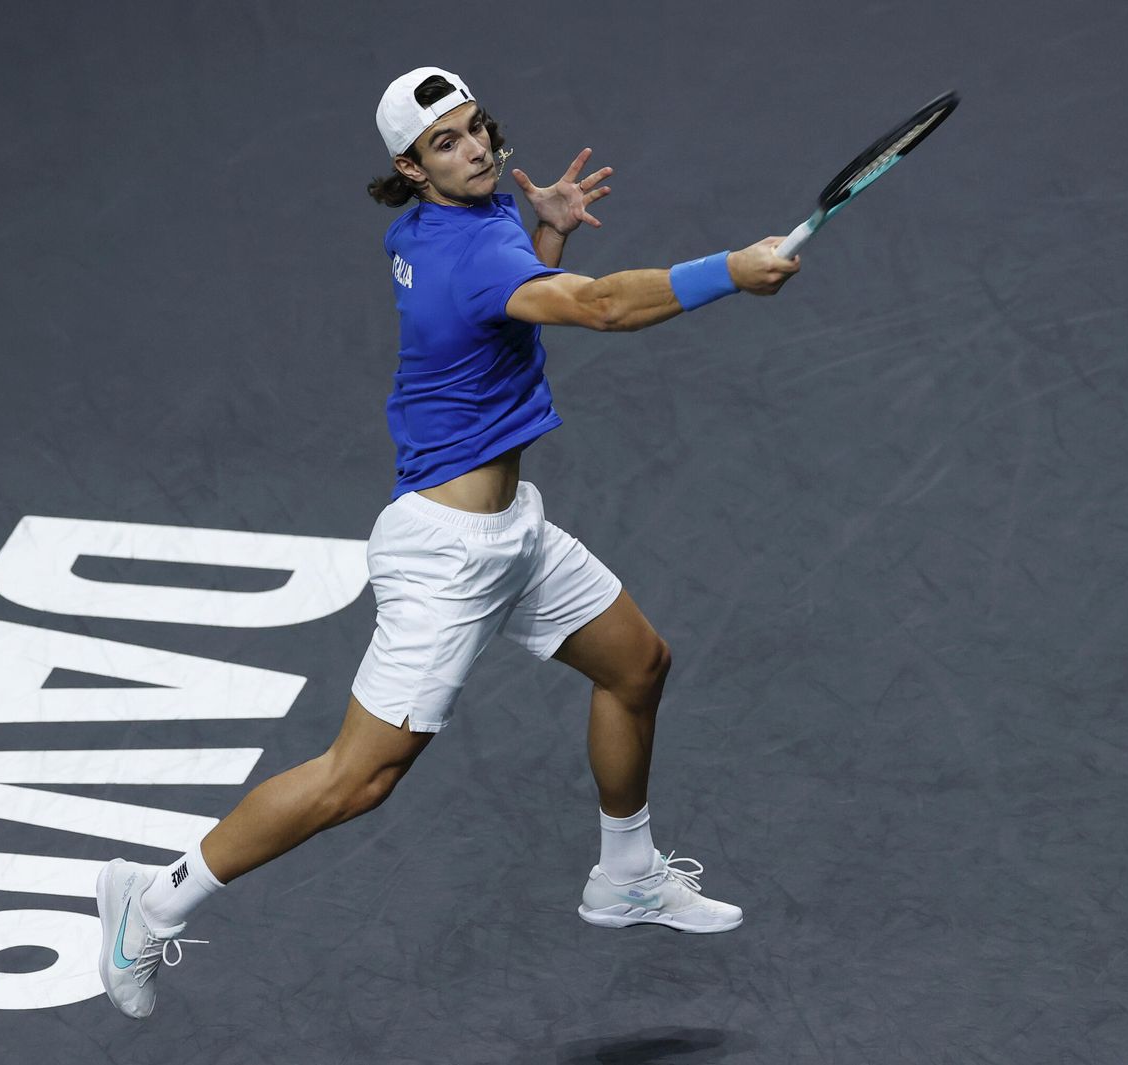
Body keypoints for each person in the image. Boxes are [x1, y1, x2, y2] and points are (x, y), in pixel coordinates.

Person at [96, 65, 800, 1020]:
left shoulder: (448, 225)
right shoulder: (473, 254)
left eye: (477, 128)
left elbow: (512, 305)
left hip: (513, 531)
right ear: (409, 166)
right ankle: (150, 901)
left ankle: (627, 873)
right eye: (446, 143)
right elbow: (598, 307)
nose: (475, 151)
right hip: (446, 557)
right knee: (358, 779)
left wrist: (545, 232)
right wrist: (732, 271)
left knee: (637, 664)